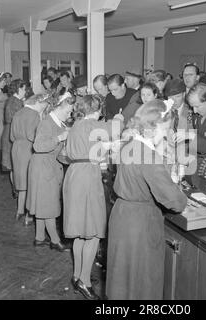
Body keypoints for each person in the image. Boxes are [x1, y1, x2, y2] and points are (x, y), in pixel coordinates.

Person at [106, 100, 187, 300]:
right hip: (140, 225)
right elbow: (175, 202)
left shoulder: (130, 144)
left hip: (122, 215)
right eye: (166, 129)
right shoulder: (148, 155)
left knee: (123, 280)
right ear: (155, 127)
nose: (167, 134)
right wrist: (177, 189)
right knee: (142, 282)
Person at [63, 95, 124, 300]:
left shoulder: (76, 125)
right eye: (100, 110)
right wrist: (119, 118)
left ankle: (77, 276)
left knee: (81, 231)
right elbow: (116, 129)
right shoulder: (92, 124)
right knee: (95, 231)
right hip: (87, 176)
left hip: (73, 174)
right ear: (95, 109)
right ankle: (85, 282)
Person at [26, 93, 74, 251]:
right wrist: (60, 138)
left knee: (42, 204)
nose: (70, 114)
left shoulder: (58, 123)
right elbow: (38, 147)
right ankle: (55, 240)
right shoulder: (47, 123)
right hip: (43, 168)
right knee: (49, 206)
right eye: (68, 111)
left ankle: (39, 238)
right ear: (58, 107)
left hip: (47, 166)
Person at [10, 94, 47, 224]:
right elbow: (33, 136)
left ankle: (19, 211)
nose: (45, 107)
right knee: (31, 183)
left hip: (16, 148)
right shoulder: (34, 115)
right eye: (44, 105)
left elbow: (12, 136)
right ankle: (29, 216)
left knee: (22, 183)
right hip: (28, 148)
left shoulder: (18, 113)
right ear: (38, 102)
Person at [1, 79, 26, 201]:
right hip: (13, 133)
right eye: (24, 89)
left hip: (8, 132)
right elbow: (21, 121)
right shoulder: (17, 102)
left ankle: (15, 190)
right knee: (16, 164)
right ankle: (17, 190)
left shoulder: (10, 100)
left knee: (12, 165)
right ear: (19, 89)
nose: (25, 91)